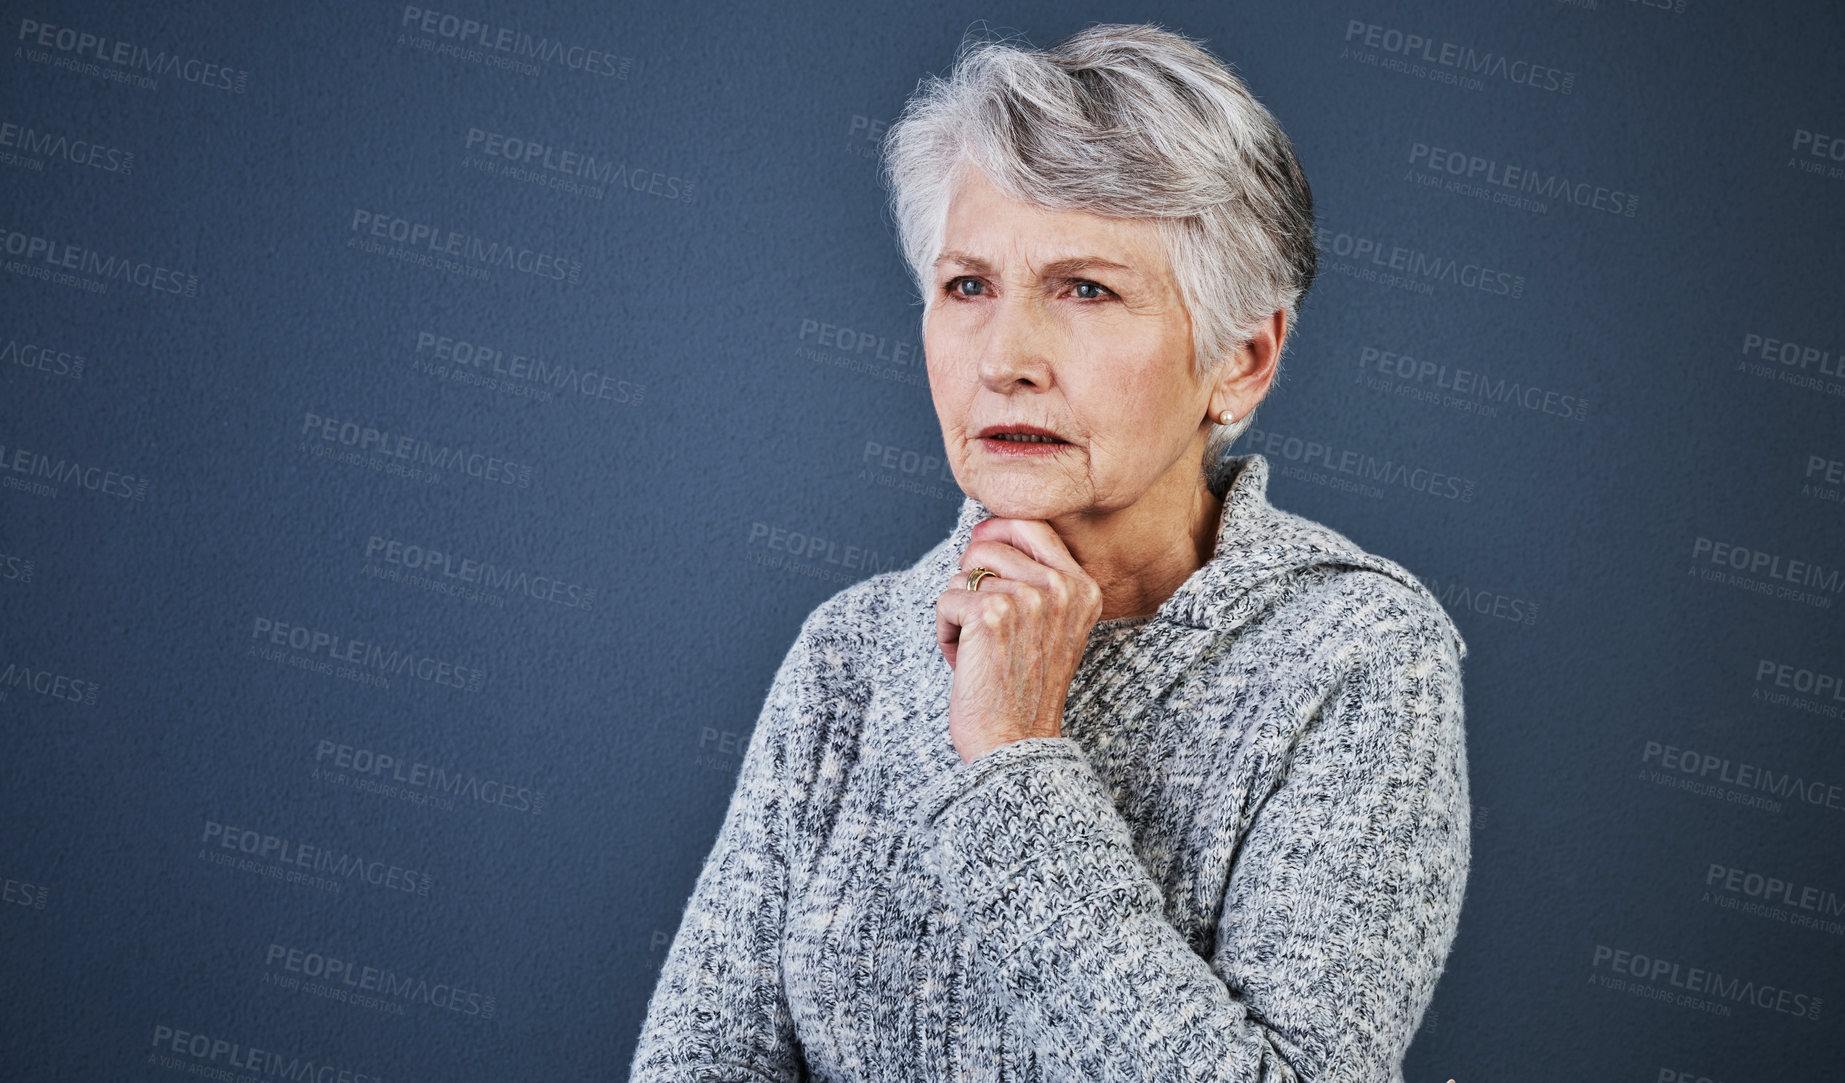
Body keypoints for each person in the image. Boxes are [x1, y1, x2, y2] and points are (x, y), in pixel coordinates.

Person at [631, 23, 1469, 1083]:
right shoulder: (851, 650)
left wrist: (1015, 764)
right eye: (968, 287)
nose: (1005, 360)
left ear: (1243, 362)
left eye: (1086, 289)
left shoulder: (1355, 656)